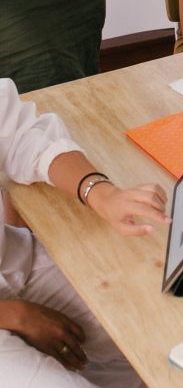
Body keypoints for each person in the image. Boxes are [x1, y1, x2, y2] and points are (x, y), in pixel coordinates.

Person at [0, 77, 169, 386]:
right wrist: (15, 315)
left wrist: (101, 194)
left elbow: (23, 138)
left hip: (14, 262)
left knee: (155, 328)